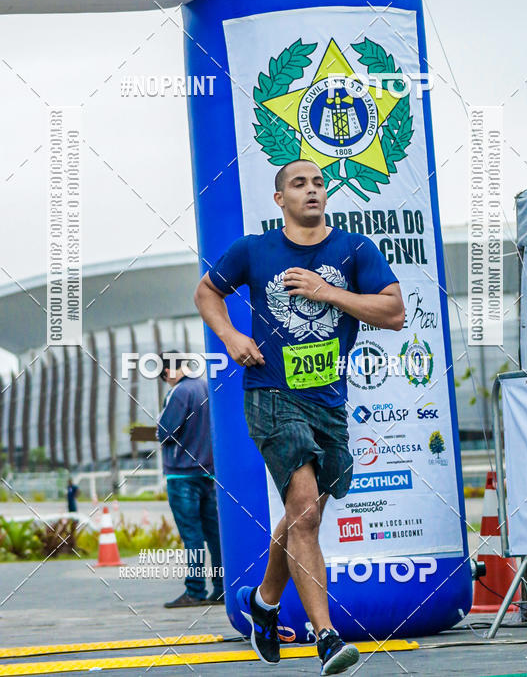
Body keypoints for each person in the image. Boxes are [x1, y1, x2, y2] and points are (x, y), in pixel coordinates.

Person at [194, 159, 404, 676]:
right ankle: (326, 638)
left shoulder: (355, 250)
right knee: (306, 509)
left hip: (328, 400)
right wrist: (232, 337)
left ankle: (264, 602)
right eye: (298, 184)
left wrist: (327, 291)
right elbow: (206, 292)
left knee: (306, 511)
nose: (310, 190)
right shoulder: (254, 250)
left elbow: (394, 313)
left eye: (317, 183)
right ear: (279, 199)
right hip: (270, 395)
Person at [156, 349, 224, 607]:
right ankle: (220, 588)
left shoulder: (180, 392)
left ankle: (194, 590)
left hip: (182, 474)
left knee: (192, 535)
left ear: (169, 370)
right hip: (209, 472)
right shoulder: (207, 387)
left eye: (164, 376)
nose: (167, 380)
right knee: (214, 534)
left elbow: (165, 432)